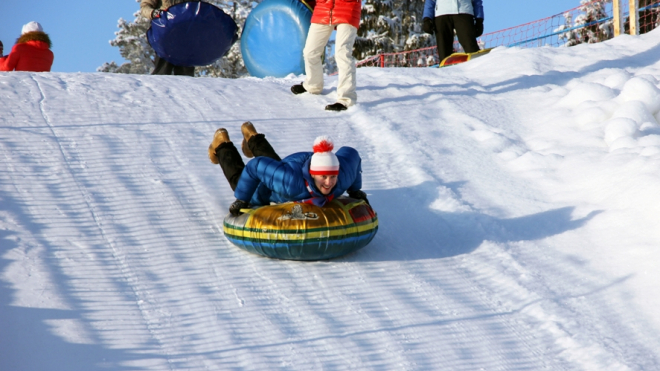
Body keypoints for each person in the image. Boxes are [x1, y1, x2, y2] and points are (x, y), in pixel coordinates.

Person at [208, 122, 370, 216]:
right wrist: (242, 199)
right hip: (284, 177)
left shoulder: (342, 177)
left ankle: (252, 138)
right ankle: (222, 144)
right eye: (323, 177)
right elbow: (255, 166)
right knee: (239, 180)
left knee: (274, 168)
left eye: (332, 176)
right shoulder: (291, 183)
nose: (329, 183)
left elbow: (352, 155)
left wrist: (355, 190)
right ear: (313, 175)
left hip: (289, 169)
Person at [289, 0, 361, 112]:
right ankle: (313, 85)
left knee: (342, 54)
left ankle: (346, 99)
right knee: (310, 52)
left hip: (348, 8)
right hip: (323, 8)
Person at [140, 0, 198, 76]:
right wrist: (153, 13)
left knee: (186, 74)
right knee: (163, 70)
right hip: (165, 33)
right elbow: (145, 7)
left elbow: (198, 8)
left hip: (185, 35)